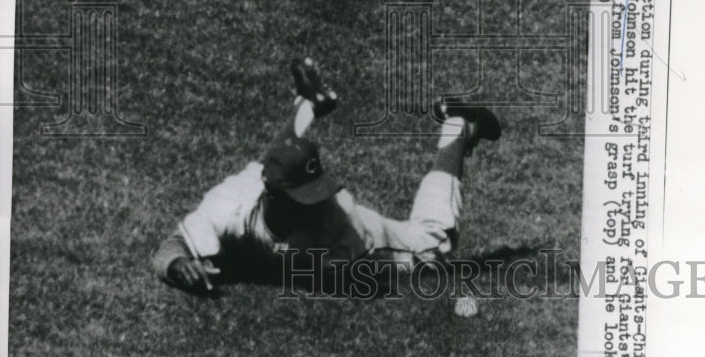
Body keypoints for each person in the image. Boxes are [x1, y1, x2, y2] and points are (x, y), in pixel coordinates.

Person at [152, 57, 502, 295]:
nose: (311, 203)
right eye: (299, 196)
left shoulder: (338, 228)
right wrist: (179, 265)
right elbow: (170, 247)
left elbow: (348, 281)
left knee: (435, 243)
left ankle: (458, 125)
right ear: (269, 194)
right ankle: (309, 101)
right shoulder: (229, 204)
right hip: (262, 194)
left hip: (368, 246)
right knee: (281, 159)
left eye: (314, 191)